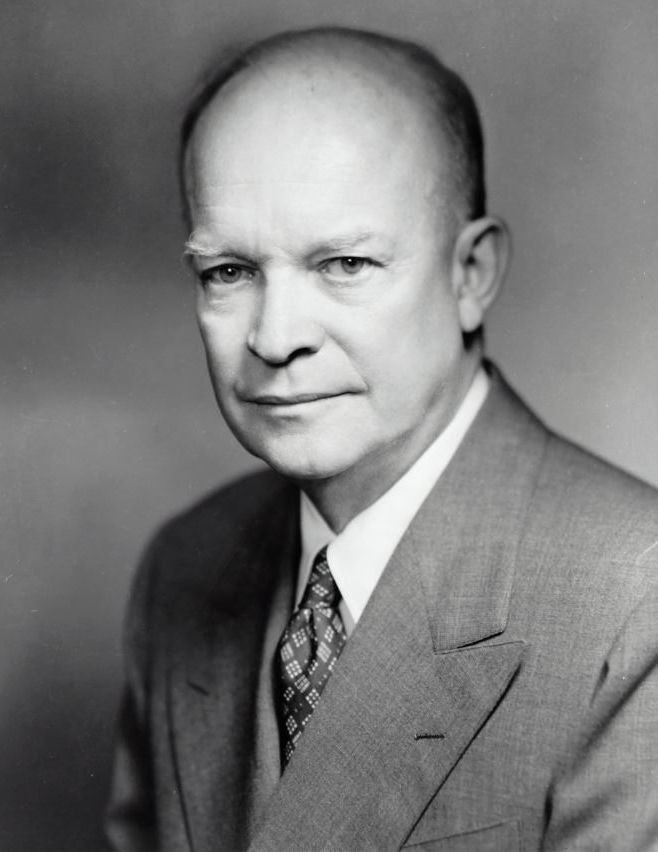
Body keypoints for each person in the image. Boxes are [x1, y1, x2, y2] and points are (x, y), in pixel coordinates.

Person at [105, 26, 658, 851]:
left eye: (345, 265)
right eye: (229, 271)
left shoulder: (636, 602)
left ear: (471, 275)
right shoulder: (185, 566)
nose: (275, 335)